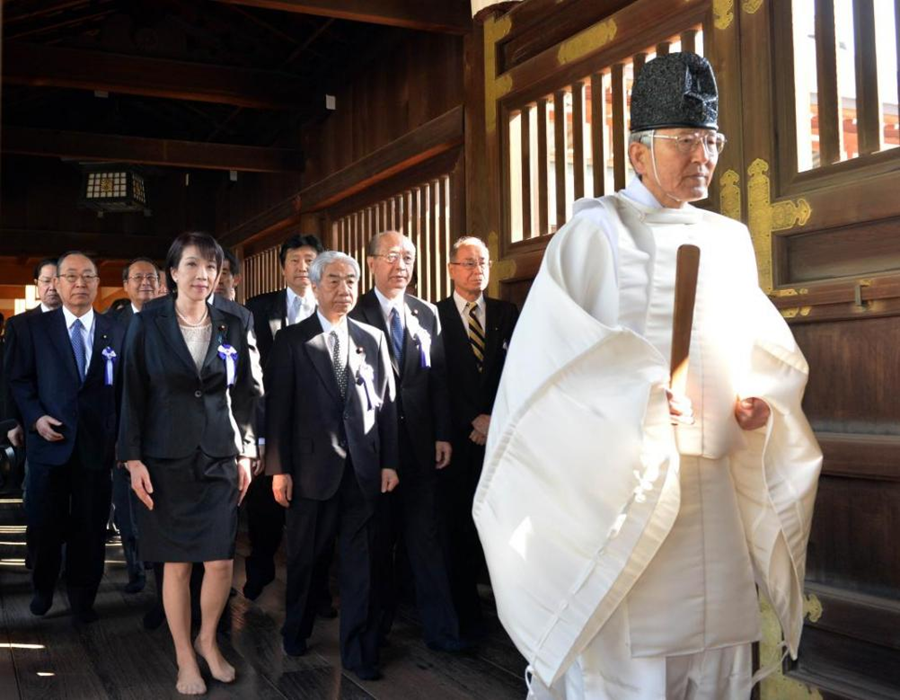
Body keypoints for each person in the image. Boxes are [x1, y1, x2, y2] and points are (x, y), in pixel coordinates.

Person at [474, 53, 822, 699]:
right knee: (632, 668)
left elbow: (760, 351)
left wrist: (758, 406)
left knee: (717, 660)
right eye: (685, 140)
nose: (703, 156)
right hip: (630, 491)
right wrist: (638, 402)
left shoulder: (729, 239)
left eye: (711, 141)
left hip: (714, 493)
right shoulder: (595, 233)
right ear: (638, 153)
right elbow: (551, 370)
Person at [118, 232, 261, 695]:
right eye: (193, 265)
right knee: (177, 565)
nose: (203, 275)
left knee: (220, 561)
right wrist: (132, 458)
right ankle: (183, 655)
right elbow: (132, 392)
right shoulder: (148, 320)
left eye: (211, 267)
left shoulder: (237, 319)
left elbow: (249, 391)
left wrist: (247, 450)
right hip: (164, 458)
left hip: (220, 454)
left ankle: (208, 640)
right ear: (173, 272)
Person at [265, 251, 398, 680]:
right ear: (316, 285)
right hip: (310, 471)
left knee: (362, 565)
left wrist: (389, 462)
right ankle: (296, 629)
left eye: (351, 281)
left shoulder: (372, 338)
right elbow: (278, 410)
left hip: (363, 469)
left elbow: (387, 407)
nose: (344, 290)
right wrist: (280, 469)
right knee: (307, 559)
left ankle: (359, 652)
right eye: (335, 281)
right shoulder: (292, 340)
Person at [350, 230, 463, 652]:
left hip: (420, 445)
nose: (401, 266)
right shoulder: (355, 313)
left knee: (427, 539)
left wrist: (443, 433)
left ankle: (442, 632)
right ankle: (375, 636)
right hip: (376, 448)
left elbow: (439, 379)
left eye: (408, 258)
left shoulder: (425, 313)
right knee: (378, 544)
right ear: (372, 263)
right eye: (392, 257)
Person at [9, 252, 125, 624]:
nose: (80, 283)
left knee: (90, 526)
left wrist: (122, 437)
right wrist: (34, 417)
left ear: (97, 284)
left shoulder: (116, 329)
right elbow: (19, 380)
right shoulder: (32, 328)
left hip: (97, 445)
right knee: (45, 524)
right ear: (56, 283)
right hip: (49, 444)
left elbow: (125, 388)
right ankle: (43, 587)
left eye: (88, 276)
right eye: (71, 276)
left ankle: (82, 597)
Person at [436, 236, 518, 640]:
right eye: (468, 263)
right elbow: (436, 377)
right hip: (454, 437)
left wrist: (493, 418)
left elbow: (517, 369)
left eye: (483, 262)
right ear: (452, 269)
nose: (477, 270)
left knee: (498, 522)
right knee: (456, 526)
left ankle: (506, 612)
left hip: (499, 435)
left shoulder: (506, 312)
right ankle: (462, 615)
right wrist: (472, 417)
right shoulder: (434, 315)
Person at [242, 233, 325, 602]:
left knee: (316, 516)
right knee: (265, 510)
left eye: (310, 260)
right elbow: (249, 373)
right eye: (295, 260)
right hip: (271, 424)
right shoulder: (259, 308)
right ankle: (259, 571)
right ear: (282, 268)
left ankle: (316, 592)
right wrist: (257, 436)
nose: (303, 267)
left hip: (317, 429)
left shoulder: (332, 305)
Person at [110, 256, 161, 594]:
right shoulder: (113, 325)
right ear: (125, 285)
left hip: (162, 430)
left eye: (151, 278)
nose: (145, 283)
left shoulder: (170, 318)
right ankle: (135, 570)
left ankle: (160, 577)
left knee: (158, 505)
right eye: (138, 278)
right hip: (123, 429)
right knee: (127, 506)